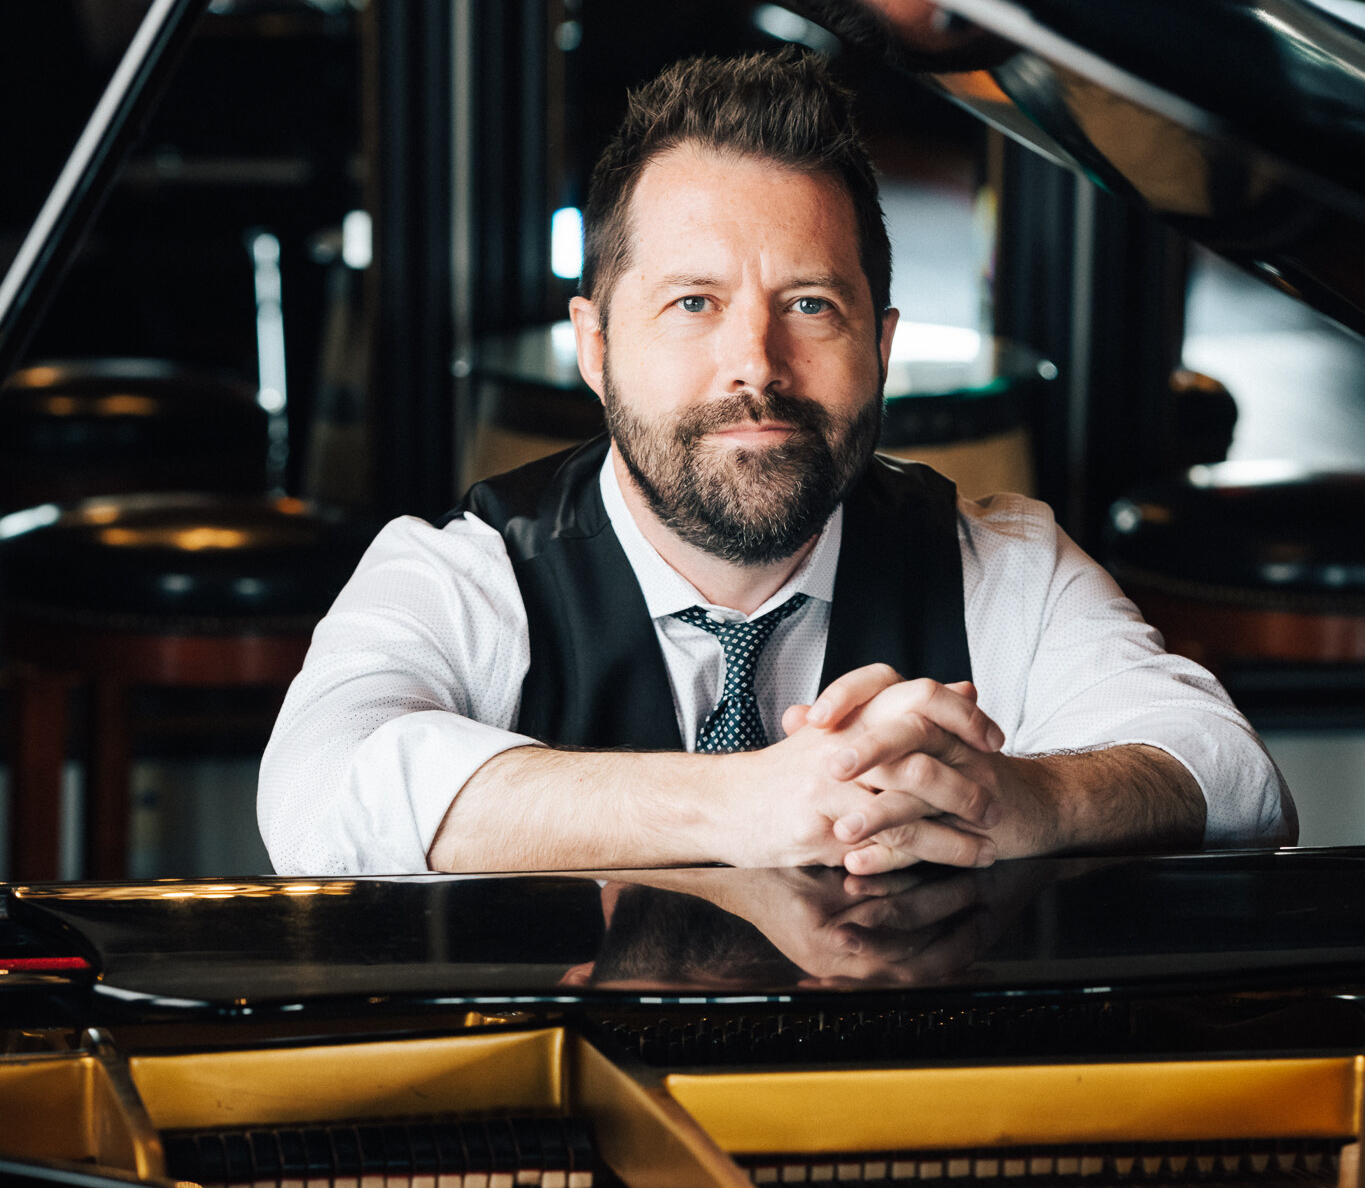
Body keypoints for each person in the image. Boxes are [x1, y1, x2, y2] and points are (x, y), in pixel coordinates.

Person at [259, 50, 1291, 878]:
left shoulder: (999, 563)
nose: (755, 362)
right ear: (596, 347)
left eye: (809, 304)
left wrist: (1023, 798)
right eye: (692, 303)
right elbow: (316, 795)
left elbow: (1235, 776)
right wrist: (745, 801)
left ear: (880, 345)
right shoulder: (467, 572)